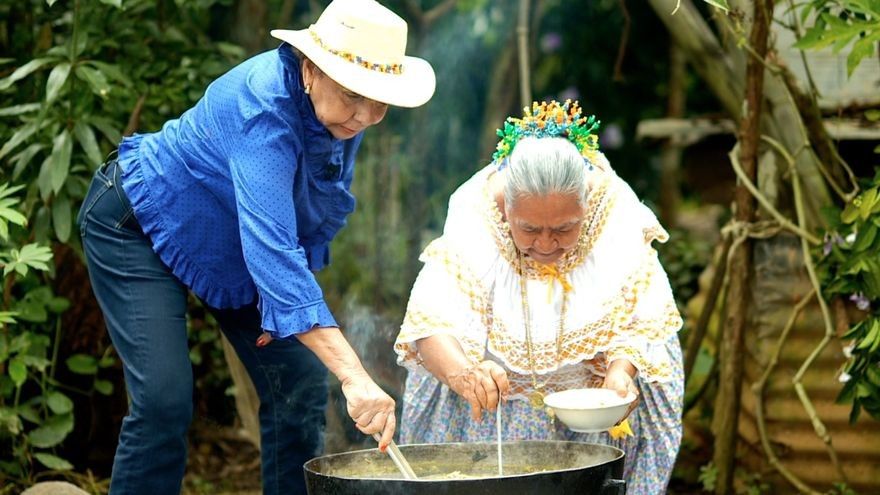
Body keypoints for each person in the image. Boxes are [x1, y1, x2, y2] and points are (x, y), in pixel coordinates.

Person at [76, 1, 435, 494]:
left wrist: (288, 314)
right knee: (164, 400)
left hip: (232, 245)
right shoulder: (261, 110)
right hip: (136, 222)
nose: (369, 116)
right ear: (311, 69)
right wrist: (354, 375)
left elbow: (302, 221)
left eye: (381, 102)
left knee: (301, 380)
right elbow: (274, 255)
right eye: (356, 97)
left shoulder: (344, 114)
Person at [393, 100, 683, 494]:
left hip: (594, 413)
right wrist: (466, 374)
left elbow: (641, 314)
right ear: (506, 207)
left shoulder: (613, 208)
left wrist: (620, 372)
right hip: (496, 413)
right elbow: (431, 320)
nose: (546, 244)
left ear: (586, 204)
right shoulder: (475, 212)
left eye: (565, 228)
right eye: (529, 229)